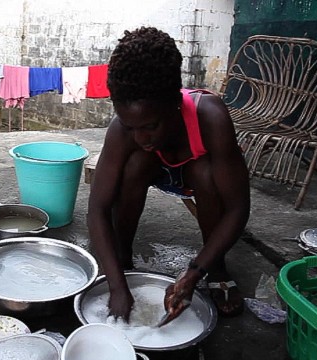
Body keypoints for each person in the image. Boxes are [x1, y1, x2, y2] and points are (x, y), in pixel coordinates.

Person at [87, 26, 250, 325]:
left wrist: (193, 272)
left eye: (150, 126)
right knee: (134, 164)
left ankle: (217, 269)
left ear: (176, 102)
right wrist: (116, 285)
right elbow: (97, 209)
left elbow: (238, 209)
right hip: (154, 168)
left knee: (205, 173)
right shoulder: (123, 131)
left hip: (194, 173)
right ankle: (123, 259)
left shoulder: (211, 118)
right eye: (131, 126)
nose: (140, 136)